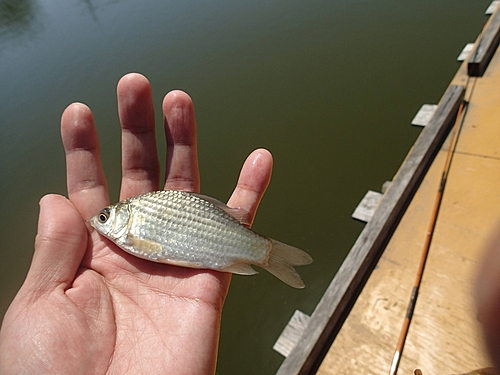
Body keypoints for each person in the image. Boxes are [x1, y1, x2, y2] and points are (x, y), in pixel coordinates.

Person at [0, 73, 273, 374]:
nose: (98, 222)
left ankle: (266, 252)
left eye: (104, 218)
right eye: (102, 217)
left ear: (122, 216)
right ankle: (264, 252)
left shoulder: (133, 226)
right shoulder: (130, 225)